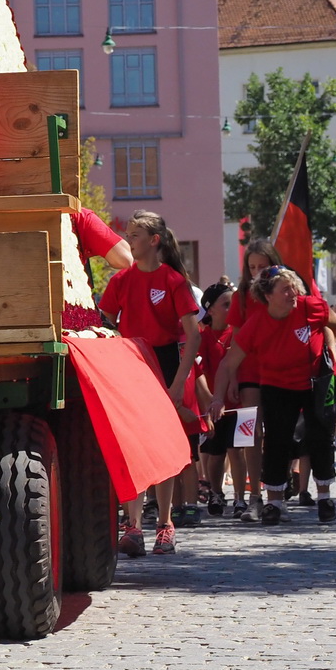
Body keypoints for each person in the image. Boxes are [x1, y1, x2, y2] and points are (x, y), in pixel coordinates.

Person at [209, 267, 336, 524]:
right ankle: (274, 502)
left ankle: (325, 497)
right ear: (268, 296)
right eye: (285, 289)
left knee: (321, 437)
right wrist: (217, 398)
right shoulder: (257, 324)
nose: (292, 293)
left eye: (294, 287)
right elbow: (229, 363)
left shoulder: (310, 307)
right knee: (276, 442)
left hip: (315, 382)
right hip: (277, 385)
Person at [98, 210, 199, 554]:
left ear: (154, 241)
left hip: (166, 360)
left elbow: (193, 336)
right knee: (133, 445)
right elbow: (104, 323)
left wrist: (178, 384)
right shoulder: (121, 281)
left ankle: (165, 523)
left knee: (163, 446)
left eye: (135, 235)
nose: (128, 241)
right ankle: (134, 525)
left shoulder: (173, 281)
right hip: (132, 361)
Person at [226, 239, 281, 520]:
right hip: (248, 371)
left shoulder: (284, 291)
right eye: (252, 267)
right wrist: (232, 377)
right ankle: (254, 496)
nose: (258, 271)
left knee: (277, 433)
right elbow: (235, 337)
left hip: (279, 369)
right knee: (249, 432)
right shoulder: (242, 296)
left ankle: (276, 495)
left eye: (263, 266)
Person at [194, 281, 247, 518]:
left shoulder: (239, 333)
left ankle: (239, 498)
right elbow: (200, 372)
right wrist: (208, 402)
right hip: (213, 406)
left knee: (237, 451)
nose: (232, 308)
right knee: (215, 453)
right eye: (226, 304)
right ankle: (216, 492)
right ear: (210, 309)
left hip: (239, 403)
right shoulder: (202, 337)